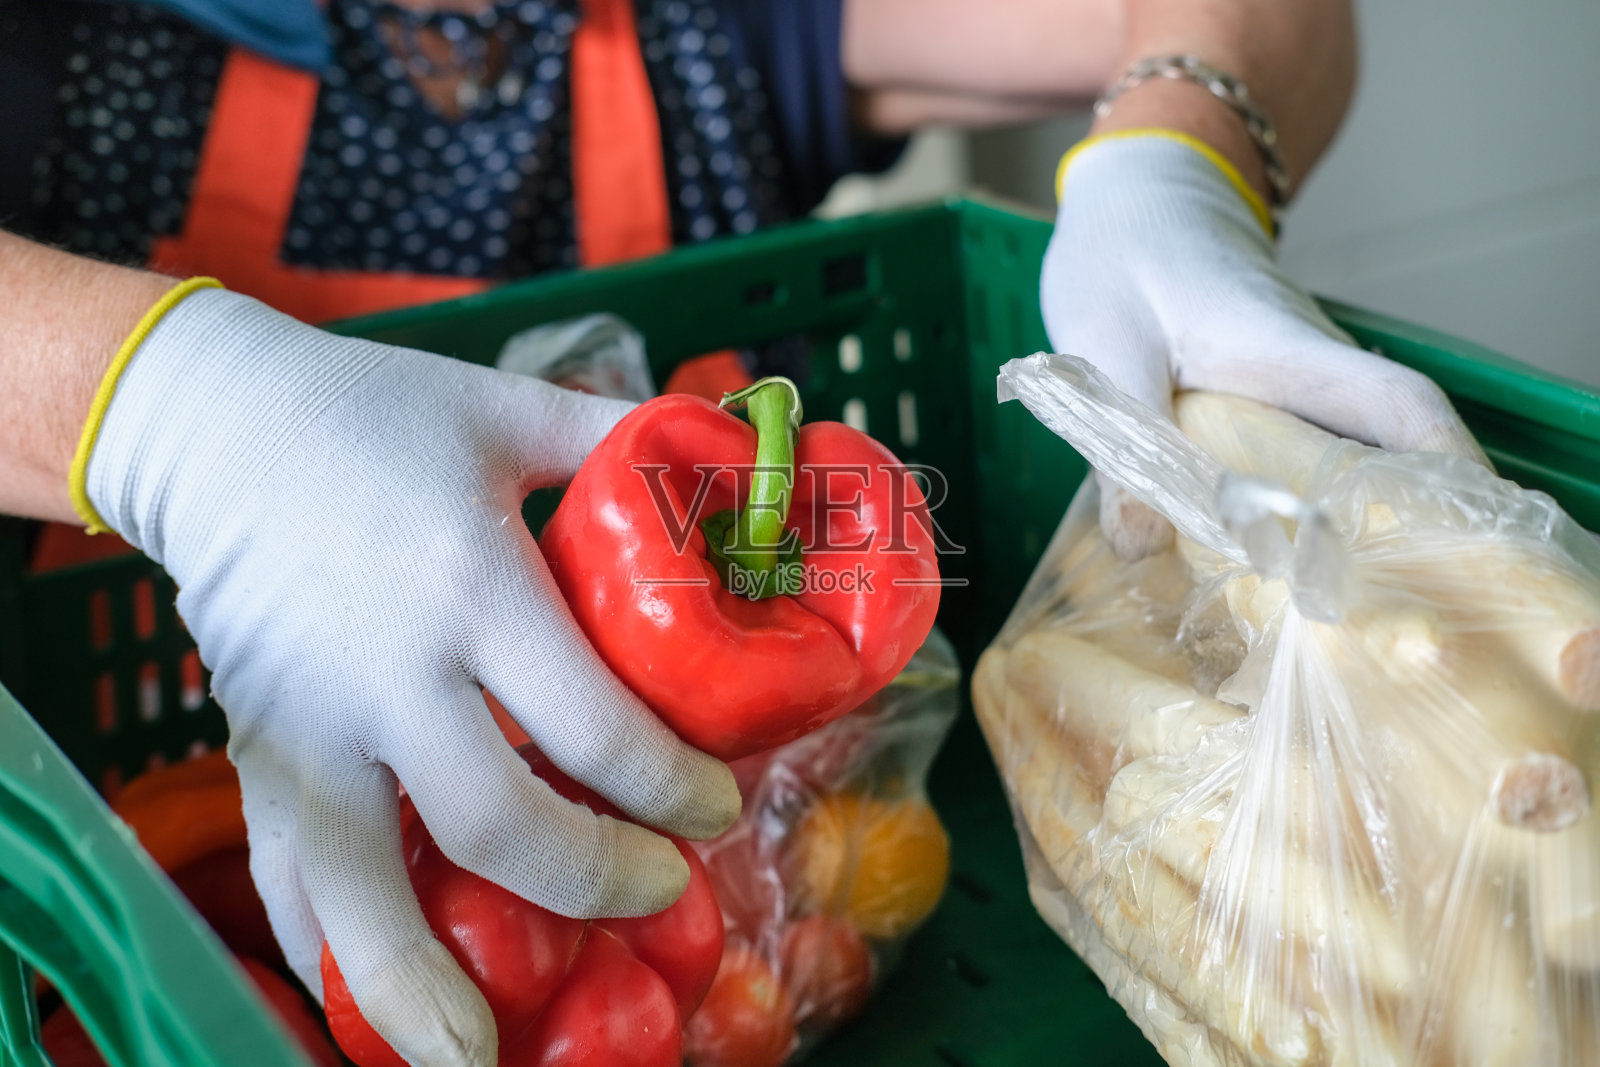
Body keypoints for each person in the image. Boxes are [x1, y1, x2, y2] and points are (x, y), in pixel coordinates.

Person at [0, 0, 1485, 1062]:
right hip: (161, 734)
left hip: (673, 825)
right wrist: (166, 411)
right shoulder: (63, 53)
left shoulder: (702, 33)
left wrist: (1177, 159)